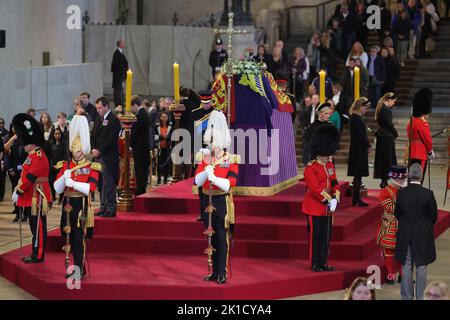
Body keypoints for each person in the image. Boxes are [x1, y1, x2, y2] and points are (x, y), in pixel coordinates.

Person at [194, 110, 239, 284]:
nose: (214, 146)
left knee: (221, 237)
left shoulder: (231, 159)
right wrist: (206, 173)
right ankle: (213, 271)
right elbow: (198, 181)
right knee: (210, 237)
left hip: (221, 201)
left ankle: (222, 271)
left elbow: (230, 184)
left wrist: (214, 178)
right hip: (206, 200)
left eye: (216, 142)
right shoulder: (204, 157)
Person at [53, 115, 100, 279]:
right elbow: (57, 188)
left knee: (79, 238)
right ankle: (74, 266)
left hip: (81, 204)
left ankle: (80, 269)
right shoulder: (65, 165)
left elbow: (90, 188)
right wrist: (62, 178)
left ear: (84, 150)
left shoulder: (91, 167)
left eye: (78, 150)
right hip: (67, 204)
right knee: (66, 236)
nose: (75, 152)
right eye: (73, 149)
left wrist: (71, 182)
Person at [11, 113, 52, 263]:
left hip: (38, 196)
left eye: (26, 144)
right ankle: (35, 252)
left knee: (39, 227)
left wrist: (18, 190)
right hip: (32, 195)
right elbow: (24, 175)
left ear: (32, 144)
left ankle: (39, 254)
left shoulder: (39, 156)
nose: (24, 146)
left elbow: (30, 178)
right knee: (34, 225)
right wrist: (19, 188)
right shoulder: (32, 155)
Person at [395, 163, 438, 300]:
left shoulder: (401, 193)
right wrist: (424, 226)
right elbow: (433, 216)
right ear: (420, 175)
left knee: (406, 266)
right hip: (422, 234)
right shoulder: (428, 194)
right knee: (421, 266)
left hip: (406, 233)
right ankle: (421, 297)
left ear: (408, 174)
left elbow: (397, 214)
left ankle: (407, 297)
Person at [303, 124, 340, 272]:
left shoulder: (329, 164)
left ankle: (323, 262)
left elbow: (335, 182)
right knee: (315, 237)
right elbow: (315, 189)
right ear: (319, 152)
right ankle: (314, 262)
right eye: (326, 154)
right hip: (314, 207)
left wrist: (336, 197)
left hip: (328, 209)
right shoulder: (311, 167)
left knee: (326, 237)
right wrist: (329, 199)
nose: (328, 157)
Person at [376, 165, 407, 284]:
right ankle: (390, 274)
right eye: (400, 179)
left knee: (402, 251)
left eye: (403, 178)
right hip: (390, 225)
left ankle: (402, 275)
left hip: (403, 225)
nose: (402, 181)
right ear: (394, 178)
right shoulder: (385, 191)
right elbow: (389, 207)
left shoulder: (404, 191)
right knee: (389, 251)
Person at [92, 97, 122, 218]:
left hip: (108, 157)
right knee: (101, 184)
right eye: (97, 108)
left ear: (106, 106)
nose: (98, 110)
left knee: (109, 183)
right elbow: (93, 135)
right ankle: (103, 206)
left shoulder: (113, 120)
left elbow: (111, 139)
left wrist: (99, 150)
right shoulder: (99, 119)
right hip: (98, 156)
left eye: (100, 108)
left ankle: (111, 208)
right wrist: (94, 148)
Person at [406, 88, 434, 183]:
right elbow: (428, 140)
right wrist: (430, 151)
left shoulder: (411, 122)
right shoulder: (422, 123)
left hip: (411, 153)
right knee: (418, 180)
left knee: (411, 179)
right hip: (421, 153)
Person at [347, 97, 371, 207]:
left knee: (358, 175)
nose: (366, 109)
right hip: (358, 149)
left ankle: (356, 198)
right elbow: (360, 135)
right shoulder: (356, 118)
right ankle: (356, 198)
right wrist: (368, 146)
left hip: (358, 148)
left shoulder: (357, 117)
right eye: (365, 107)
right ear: (360, 106)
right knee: (358, 175)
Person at [374, 93, 398, 188]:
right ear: (389, 100)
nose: (393, 104)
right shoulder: (386, 110)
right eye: (393, 101)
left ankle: (384, 180)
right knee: (387, 160)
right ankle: (384, 181)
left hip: (382, 136)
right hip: (386, 137)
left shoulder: (381, 108)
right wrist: (395, 133)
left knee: (383, 159)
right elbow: (389, 124)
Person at [130, 95, 151, 196]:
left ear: (134, 105)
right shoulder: (143, 113)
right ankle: (141, 188)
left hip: (140, 149)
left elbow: (135, 133)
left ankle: (140, 190)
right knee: (141, 170)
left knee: (140, 170)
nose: (130, 109)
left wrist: (130, 144)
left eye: (130, 107)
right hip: (142, 148)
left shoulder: (140, 116)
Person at [303, 101, 332, 165]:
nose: (328, 116)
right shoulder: (313, 126)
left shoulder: (330, 125)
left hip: (328, 158)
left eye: (329, 114)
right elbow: (307, 141)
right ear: (319, 113)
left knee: (329, 174)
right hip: (316, 159)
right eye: (326, 113)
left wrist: (331, 156)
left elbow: (333, 142)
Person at [155, 111, 173, 185]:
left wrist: (166, 137)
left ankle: (165, 179)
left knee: (167, 164)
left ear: (168, 118)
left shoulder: (170, 127)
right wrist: (161, 137)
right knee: (159, 164)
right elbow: (155, 136)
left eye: (165, 117)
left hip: (167, 147)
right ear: (160, 118)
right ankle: (159, 179)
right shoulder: (156, 127)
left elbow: (171, 136)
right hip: (159, 147)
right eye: (162, 117)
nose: (164, 118)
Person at [49, 128, 66, 204]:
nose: (57, 135)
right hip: (52, 166)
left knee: (61, 182)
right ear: (53, 134)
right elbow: (48, 155)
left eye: (59, 133)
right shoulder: (50, 143)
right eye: (55, 133)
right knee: (51, 181)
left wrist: (60, 165)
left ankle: (61, 198)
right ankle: (53, 196)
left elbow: (65, 156)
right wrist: (52, 165)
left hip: (61, 166)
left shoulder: (64, 144)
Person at [111, 40, 129, 107]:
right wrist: (121, 75)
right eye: (123, 43)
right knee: (118, 90)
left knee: (120, 89)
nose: (124, 44)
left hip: (121, 75)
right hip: (118, 76)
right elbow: (115, 65)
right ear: (120, 44)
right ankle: (118, 103)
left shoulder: (120, 52)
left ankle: (120, 102)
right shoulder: (117, 53)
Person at [0, 117, 9, 202]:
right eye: (0, 123)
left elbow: (3, 150)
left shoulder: (7, 134)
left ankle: (1, 195)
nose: (1, 124)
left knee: (2, 179)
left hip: (3, 159)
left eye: (2, 123)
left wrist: (2, 161)